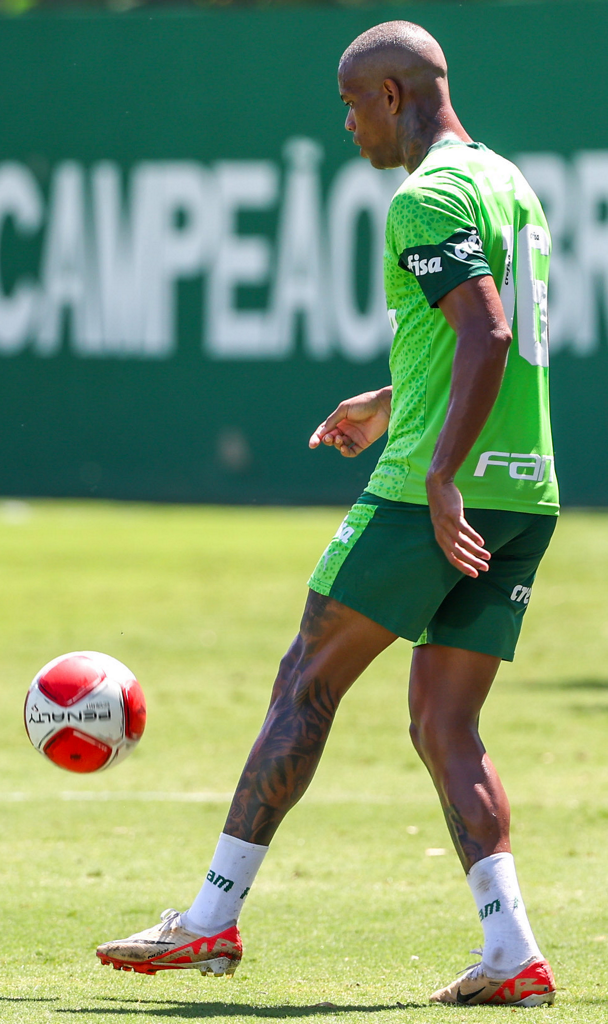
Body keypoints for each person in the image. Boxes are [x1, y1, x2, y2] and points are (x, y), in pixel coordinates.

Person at [96, 20, 560, 1007]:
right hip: (524, 491)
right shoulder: (508, 184)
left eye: (351, 104)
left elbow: (486, 333)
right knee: (444, 723)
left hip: (435, 492)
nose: (346, 123)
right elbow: (486, 341)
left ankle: (210, 919)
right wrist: (392, 399)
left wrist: (439, 472)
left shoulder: (424, 197)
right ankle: (510, 949)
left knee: (304, 679)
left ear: (392, 95)